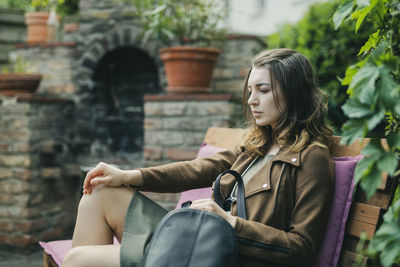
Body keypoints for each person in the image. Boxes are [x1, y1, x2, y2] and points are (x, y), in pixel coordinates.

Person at [62, 48, 334, 267]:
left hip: (223, 255)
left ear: (294, 93)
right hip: (196, 238)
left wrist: (230, 223)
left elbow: (301, 248)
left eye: (263, 91)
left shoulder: (311, 158)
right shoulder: (258, 145)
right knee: (100, 190)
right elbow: (198, 169)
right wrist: (129, 175)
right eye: (250, 91)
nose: (252, 101)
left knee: (78, 260)